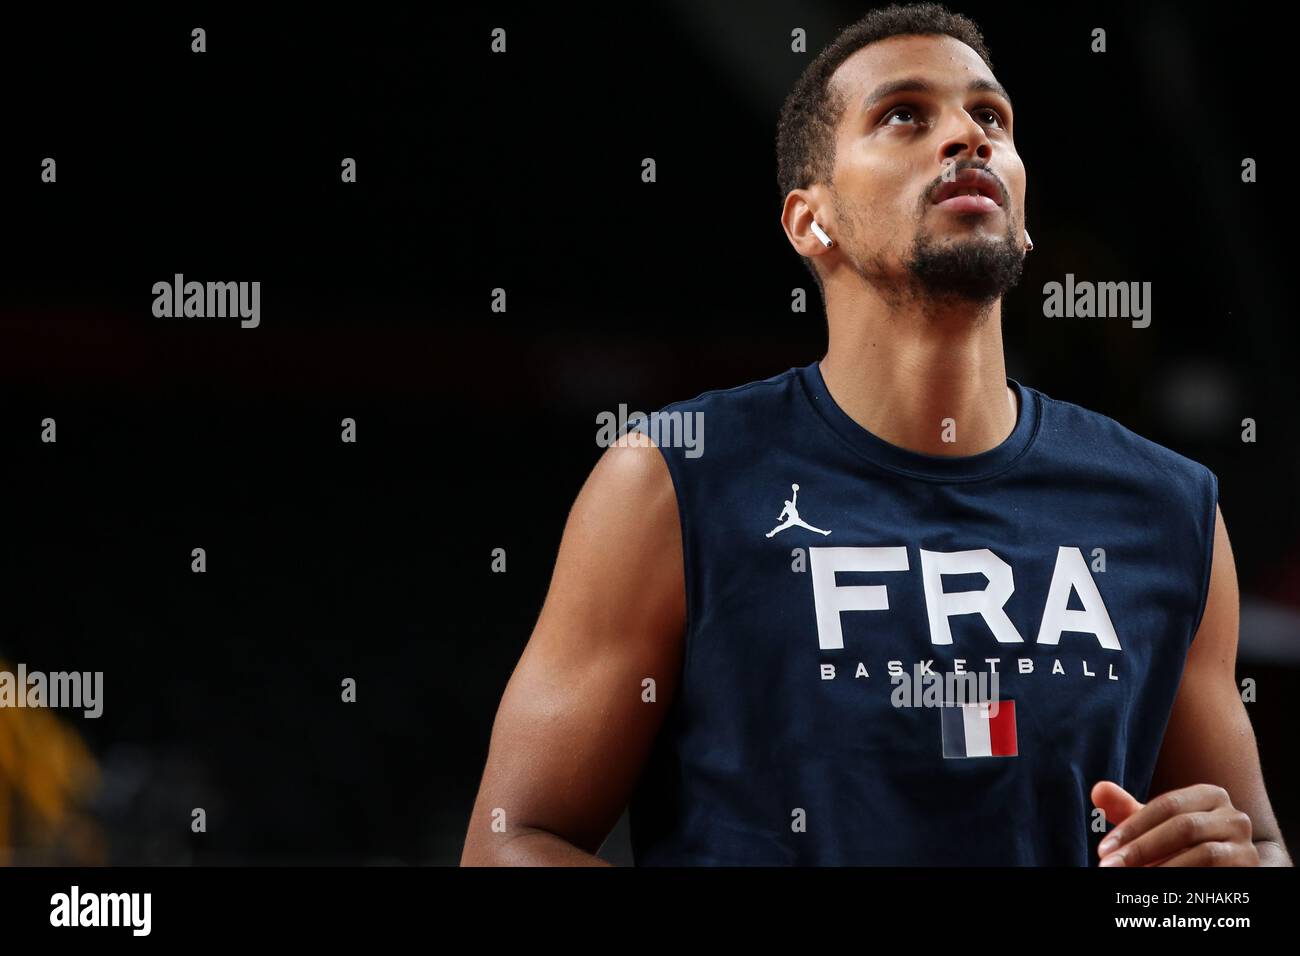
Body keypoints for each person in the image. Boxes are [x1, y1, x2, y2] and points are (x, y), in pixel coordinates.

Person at [460, 2, 1290, 866]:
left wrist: (1217, 889)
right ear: (808, 221)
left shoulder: (1167, 506)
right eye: (905, 115)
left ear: (1025, 216)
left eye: (990, 118)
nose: (967, 138)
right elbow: (513, 842)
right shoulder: (675, 477)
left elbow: (1256, 846)